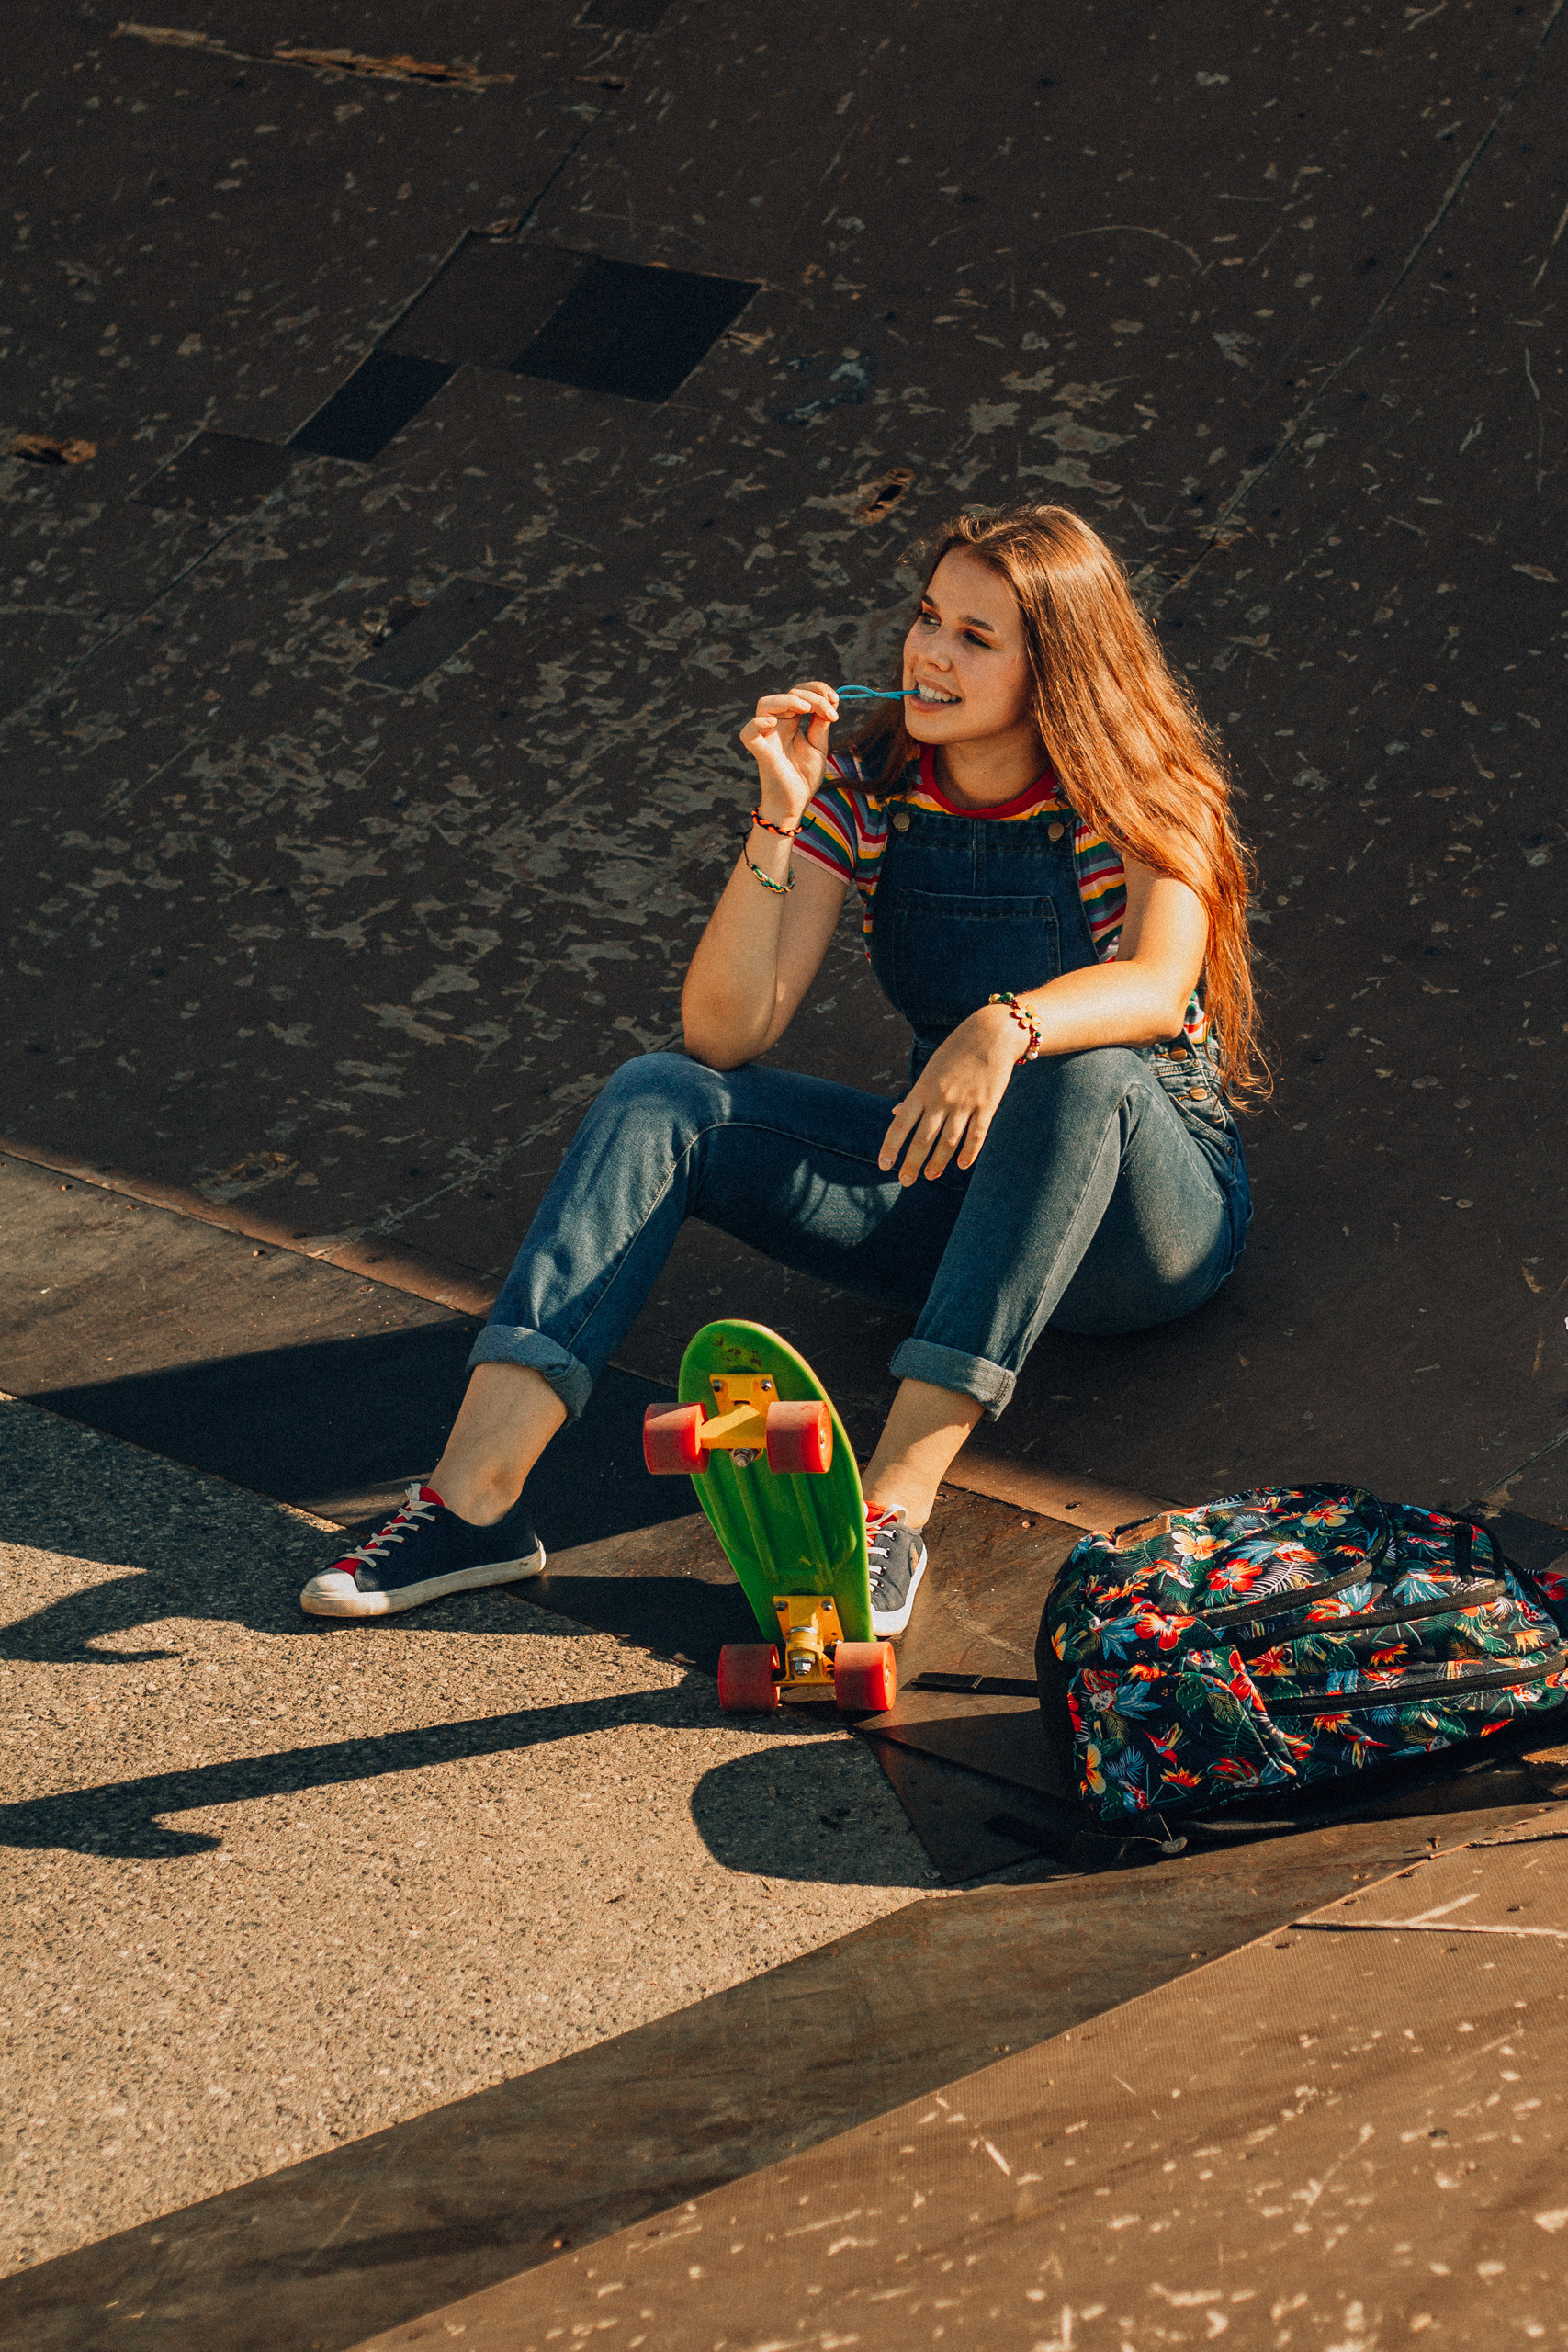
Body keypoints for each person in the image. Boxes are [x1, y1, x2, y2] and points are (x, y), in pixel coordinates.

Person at [301, 503, 1259, 1634]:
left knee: (1079, 1073)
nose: (929, 653)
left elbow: (1156, 983)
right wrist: (778, 817)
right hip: (958, 1188)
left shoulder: (1141, 788)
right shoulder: (874, 790)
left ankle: (887, 1513)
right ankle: (474, 1503)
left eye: (975, 636)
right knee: (661, 1095)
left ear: (1058, 667)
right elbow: (727, 1032)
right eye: (927, 618)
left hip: (1144, 1224)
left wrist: (1008, 1025)